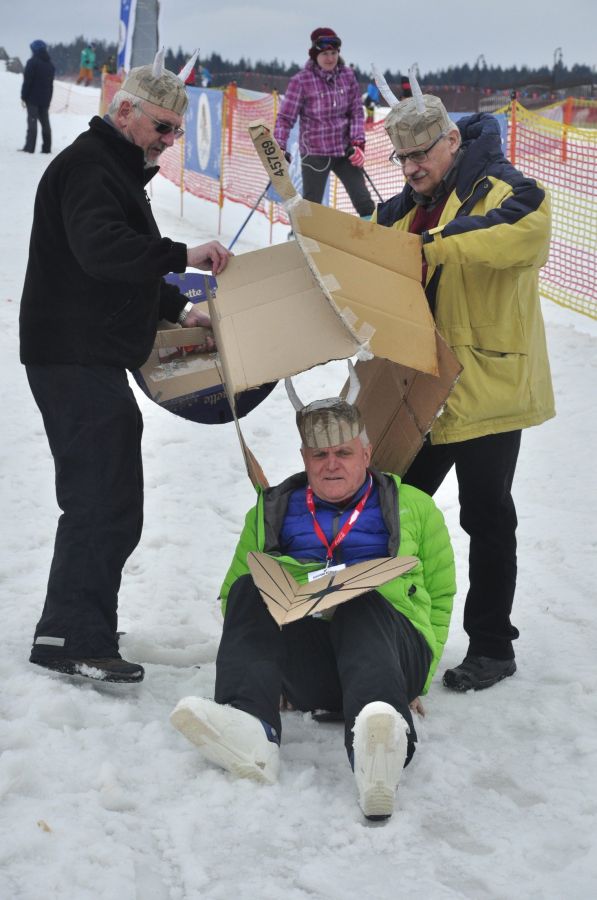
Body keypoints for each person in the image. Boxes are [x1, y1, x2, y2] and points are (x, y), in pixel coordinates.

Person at [19, 50, 232, 684]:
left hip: (90, 355)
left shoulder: (112, 170)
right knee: (100, 497)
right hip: (71, 356)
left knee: (111, 495)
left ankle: (81, 623)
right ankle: (70, 636)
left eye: (176, 131)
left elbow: (121, 270)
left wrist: (177, 308)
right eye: (162, 128)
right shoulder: (90, 168)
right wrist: (183, 256)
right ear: (125, 111)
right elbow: (103, 250)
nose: (169, 142)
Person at [170, 367, 455, 820]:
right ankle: (250, 727)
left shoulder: (415, 508)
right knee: (250, 588)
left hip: (390, 652)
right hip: (313, 659)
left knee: (360, 599)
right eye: (320, 454)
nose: (332, 463)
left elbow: (440, 598)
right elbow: (232, 599)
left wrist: (417, 679)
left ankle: (378, 738)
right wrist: (274, 668)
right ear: (305, 457)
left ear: (367, 453)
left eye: (343, 452)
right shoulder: (270, 511)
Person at [372, 72, 555, 692]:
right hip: (423, 388)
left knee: (487, 516)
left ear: (452, 139)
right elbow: (371, 245)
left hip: (488, 386)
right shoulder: (404, 202)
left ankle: (492, 646)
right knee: (393, 508)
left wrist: (433, 245)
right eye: (401, 156)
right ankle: (384, 630)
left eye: (421, 153)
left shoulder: (505, 186)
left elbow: (522, 230)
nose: (411, 166)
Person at [274, 28, 374, 219]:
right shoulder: (302, 81)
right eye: (325, 54)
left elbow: (356, 112)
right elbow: (286, 118)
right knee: (312, 206)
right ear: (315, 55)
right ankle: (305, 241)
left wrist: (358, 143)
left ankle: (371, 242)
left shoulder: (347, 76)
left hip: (344, 151)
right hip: (315, 153)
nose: (330, 58)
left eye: (334, 53)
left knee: (364, 201)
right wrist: (279, 145)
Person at [20, 39, 54, 154]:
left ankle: (29, 148)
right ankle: (46, 148)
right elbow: (51, 85)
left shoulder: (32, 62)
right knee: (45, 123)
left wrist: (23, 96)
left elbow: (27, 81)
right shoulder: (50, 65)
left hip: (32, 99)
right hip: (45, 99)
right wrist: (48, 99)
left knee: (32, 122)